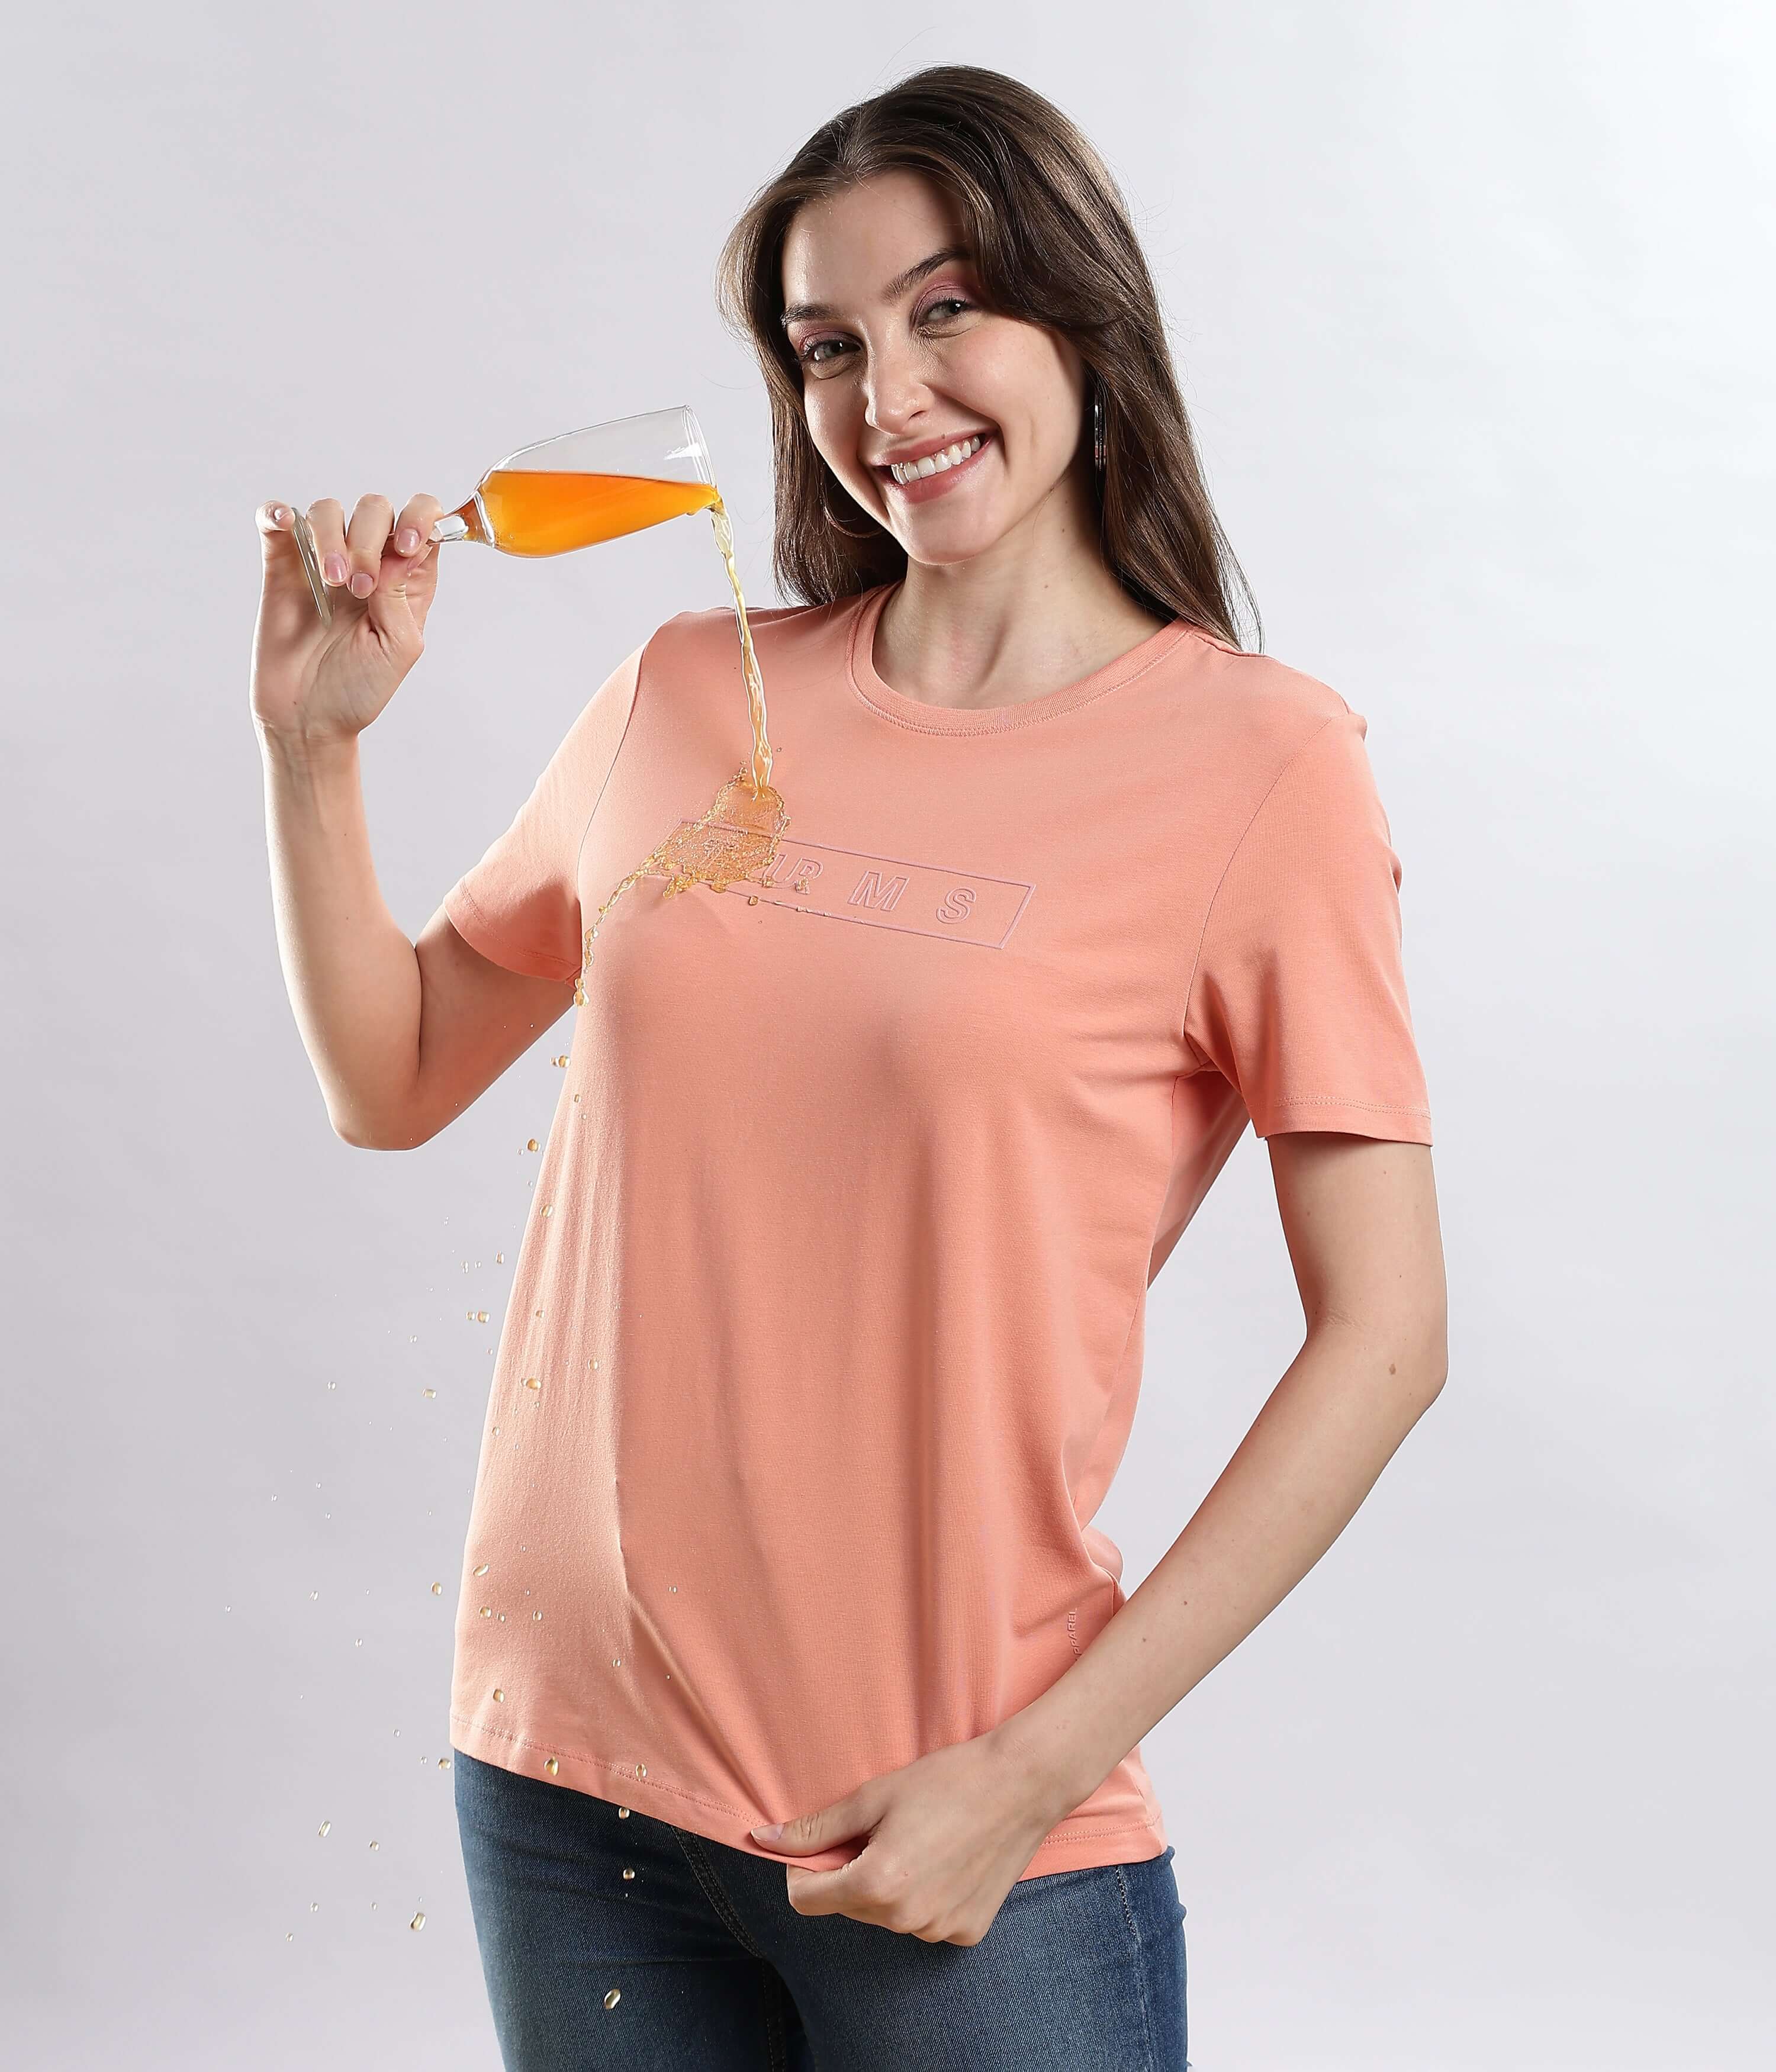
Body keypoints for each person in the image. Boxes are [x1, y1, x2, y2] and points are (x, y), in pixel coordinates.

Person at [250, 62, 1447, 2072]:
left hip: (957, 1823)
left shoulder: (1265, 764)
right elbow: (396, 1072)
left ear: (1086, 314)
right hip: (565, 1792)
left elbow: (1389, 1333)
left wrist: (1031, 1766)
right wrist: (314, 748)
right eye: (828, 343)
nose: (886, 392)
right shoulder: (689, 690)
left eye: (948, 307)